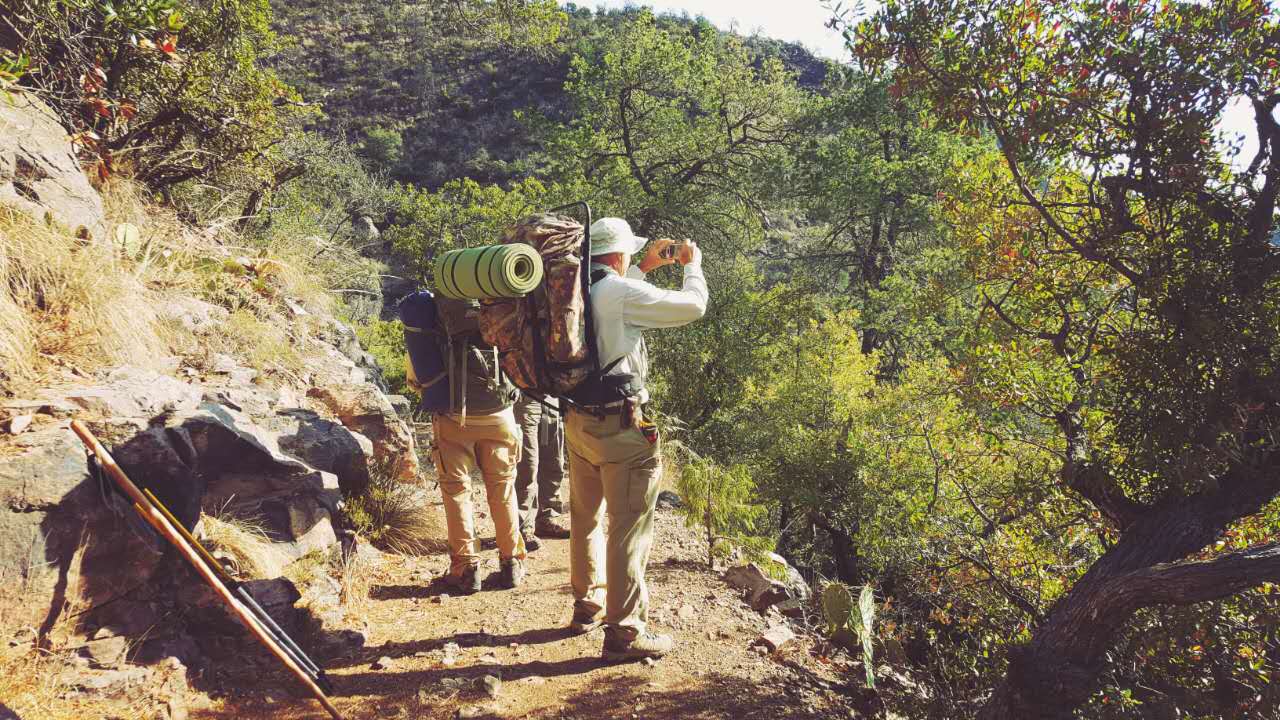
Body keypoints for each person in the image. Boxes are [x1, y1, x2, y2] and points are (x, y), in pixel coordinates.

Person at [565, 216, 707, 661]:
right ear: (617, 254)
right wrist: (692, 265)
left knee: (585, 517)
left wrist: (643, 266)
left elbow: (614, 305)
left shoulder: (573, 289)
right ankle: (624, 631)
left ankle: (586, 604)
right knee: (628, 528)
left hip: (577, 421)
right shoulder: (619, 292)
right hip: (620, 428)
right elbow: (692, 307)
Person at [407, 298, 527, 595]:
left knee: (457, 492)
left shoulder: (436, 316)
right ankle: (511, 562)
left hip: (453, 418)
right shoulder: (501, 309)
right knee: (503, 488)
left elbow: (416, 377)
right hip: (499, 416)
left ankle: (465, 569)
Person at [513, 392, 571, 552]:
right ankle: (523, 527)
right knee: (527, 467)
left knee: (555, 463)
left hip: (552, 399)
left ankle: (546, 519)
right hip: (525, 400)